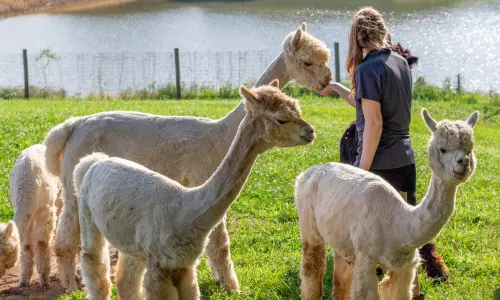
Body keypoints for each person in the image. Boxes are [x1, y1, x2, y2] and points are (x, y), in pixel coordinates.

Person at [318, 7, 447, 299]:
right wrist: (339, 89)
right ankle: (413, 294)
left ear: (358, 37)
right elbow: (374, 111)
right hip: (405, 160)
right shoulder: (400, 62)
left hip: (379, 166)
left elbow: (374, 122)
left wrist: (361, 172)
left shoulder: (366, 69)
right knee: (406, 239)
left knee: (367, 241)